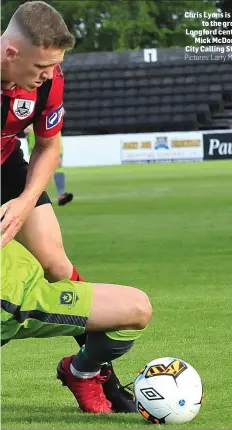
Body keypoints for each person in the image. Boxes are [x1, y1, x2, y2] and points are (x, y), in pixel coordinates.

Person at [0, 1, 136, 411]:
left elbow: (47, 145)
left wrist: (25, 201)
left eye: (53, 66)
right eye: (41, 65)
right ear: (11, 53)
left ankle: (91, 372)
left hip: (7, 166)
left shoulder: (49, 79)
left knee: (58, 266)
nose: (48, 75)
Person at [1, 240, 152, 413]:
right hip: (14, 300)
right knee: (135, 309)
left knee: (137, 307)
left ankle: (83, 372)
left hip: (28, 279)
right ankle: (84, 374)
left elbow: (53, 258)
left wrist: (22, 210)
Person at [25, 118, 74, 206]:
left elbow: (60, 111)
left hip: (52, 133)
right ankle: (33, 196)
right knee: (37, 167)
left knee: (58, 164)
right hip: (36, 134)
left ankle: (61, 195)